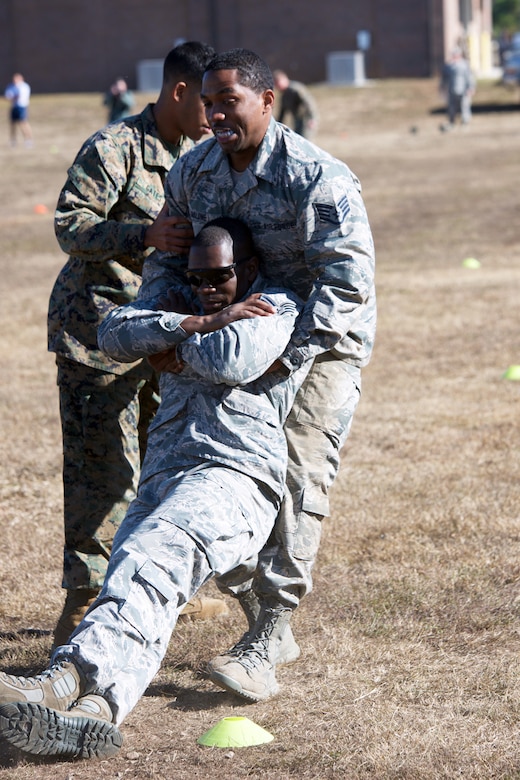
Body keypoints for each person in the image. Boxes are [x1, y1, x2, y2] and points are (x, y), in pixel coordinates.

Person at [0, 218, 313, 760]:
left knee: (151, 557)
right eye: (197, 279)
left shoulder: (278, 304)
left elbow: (231, 358)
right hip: (167, 474)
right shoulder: (194, 303)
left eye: (221, 277)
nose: (207, 287)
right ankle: (98, 711)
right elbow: (114, 332)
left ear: (251, 268)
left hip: (234, 476)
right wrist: (205, 318)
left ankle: (65, 676)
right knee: (140, 580)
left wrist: (169, 342)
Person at [138, 48, 376, 703]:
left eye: (229, 101)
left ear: (267, 101)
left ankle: (270, 635)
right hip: (228, 336)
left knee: (297, 471)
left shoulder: (316, 177)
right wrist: (163, 326)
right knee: (215, 471)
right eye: (208, 102)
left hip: (319, 345)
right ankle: (249, 603)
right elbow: (171, 256)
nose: (214, 113)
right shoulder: (193, 170)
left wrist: (282, 359)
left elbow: (346, 286)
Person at [48, 41, 227, 650]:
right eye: (203, 100)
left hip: (162, 337)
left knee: (162, 466)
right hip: (96, 333)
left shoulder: (201, 156)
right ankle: (83, 601)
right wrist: (140, 233)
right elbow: (69, 224)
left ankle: (151, 588)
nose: (212, 111)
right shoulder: (115, 148)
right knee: (100, 472)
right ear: (177, 92)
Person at [273, 68, 318, 138]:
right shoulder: (284, 96)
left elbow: (309, 103)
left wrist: (312, 118)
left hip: (306, 121)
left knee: (304, 142)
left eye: (278, 82)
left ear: (284, 79)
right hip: (297, 121)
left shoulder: (295, 89)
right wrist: (275, 126)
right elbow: (282, 114)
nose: (277, 86)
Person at [440, 47, 475, 129]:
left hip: (463, 89)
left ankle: (465, 121)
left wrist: (471, 87)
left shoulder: (464, 65)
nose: (454, 56)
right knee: (451, 107)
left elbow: (469, 77)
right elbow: (444, 79)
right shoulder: (448, 66)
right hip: (451, 90)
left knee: (464, 105)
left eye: (456, 55)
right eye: (453, 55)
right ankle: (452, 121)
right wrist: (442, 88)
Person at [4, 73, 32, 147]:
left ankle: (28, 140)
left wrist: (14, 96)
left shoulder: (24, 87)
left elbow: (22, 97)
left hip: (22, 107)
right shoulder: (11, 86)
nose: (15, 81)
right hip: (14, 107)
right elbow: (8, 96)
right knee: (12, 124)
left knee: (23, 123)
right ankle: (13, 141)